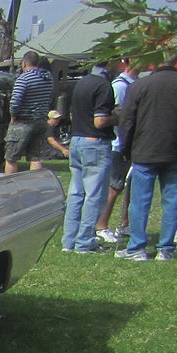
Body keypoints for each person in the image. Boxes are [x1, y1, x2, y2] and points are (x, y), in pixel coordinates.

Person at [115, 55, 177, 261]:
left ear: (154, 62)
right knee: (172, 201)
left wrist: (125, 147)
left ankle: (137, 248)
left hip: (144, 150)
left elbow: (127, 120)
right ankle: (166, 248)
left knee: (140, 202)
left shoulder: (140, 85)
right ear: (175, 60)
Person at [61, 62, 117, 253]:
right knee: (94, 195)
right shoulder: (103, 86)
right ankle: (85, 241)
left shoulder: (81, 83)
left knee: (76, 193)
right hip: (95, 142)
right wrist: (118, 116)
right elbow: (100, 121)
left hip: (76, 140)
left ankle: (69, 241)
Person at [95, 58, 141, 243]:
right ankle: (101, 225)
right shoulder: (120, 86)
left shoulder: (136, 84)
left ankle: (124, 225)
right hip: (119, 144)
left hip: (132, 144)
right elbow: (115, 115)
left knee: (129, 187)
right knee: (114, 187)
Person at [4, 51, 55, 173]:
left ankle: (9, 186)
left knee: (11, 157)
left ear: (24, 63)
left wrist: (13, 117)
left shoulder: (24, 78)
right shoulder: (48, 77)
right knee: (35, 157)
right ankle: (35, 185)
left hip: (23, 121)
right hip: (41, 121)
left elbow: (15, 101)